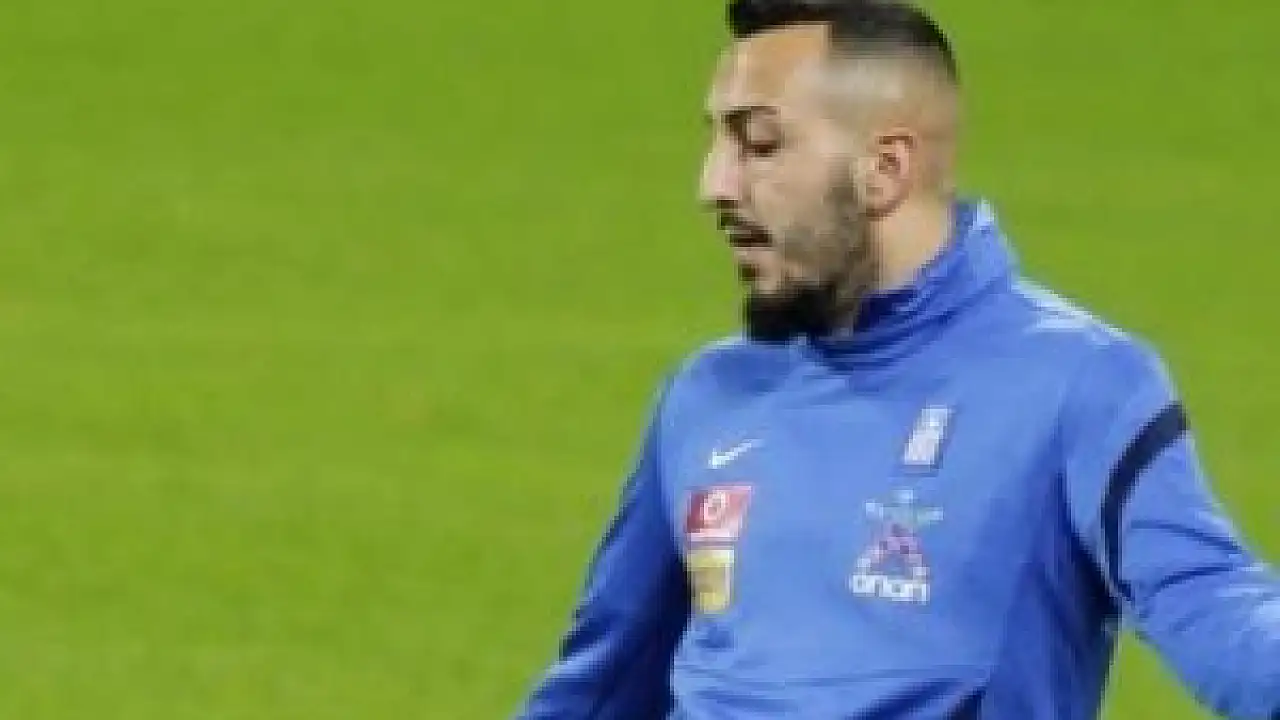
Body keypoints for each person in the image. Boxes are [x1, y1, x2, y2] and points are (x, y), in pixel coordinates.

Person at [515, 1, 1280, 717]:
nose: (713, 184)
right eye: (716, 140)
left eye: (760, 143)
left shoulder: (1075, 385)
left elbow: (1211, 604)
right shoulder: (709, 395)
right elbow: (598, 688)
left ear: (883, 170)